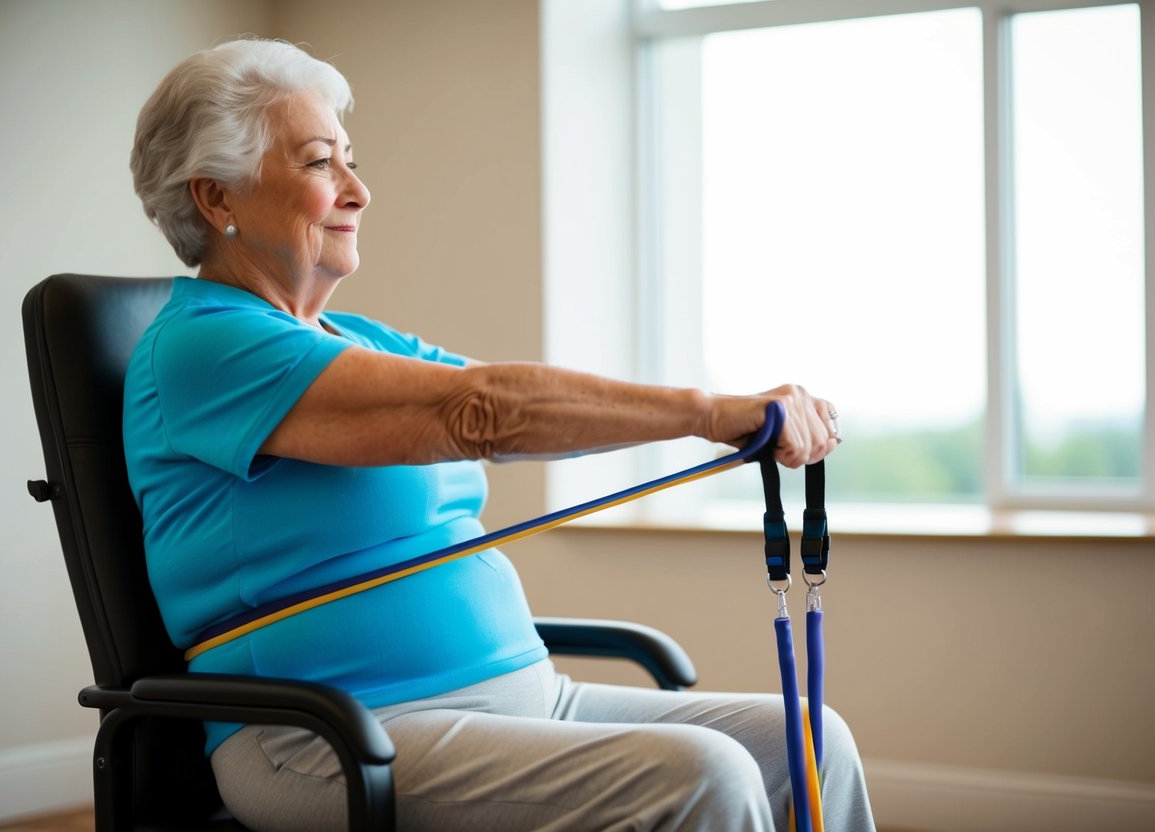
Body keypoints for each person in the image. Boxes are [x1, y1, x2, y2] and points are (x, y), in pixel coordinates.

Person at [124, 37, 874, 832]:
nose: (359, 190)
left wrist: (716, 419)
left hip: (526, 699)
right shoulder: (204, 346)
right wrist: (709, 413)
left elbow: (520, 416)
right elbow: (478, 413)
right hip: (327, 738)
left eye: (351, 159)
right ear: (217, 198)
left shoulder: (359, 338)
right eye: (319, 163)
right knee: (702, 774)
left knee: (809, 741)